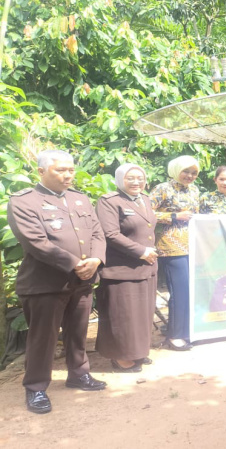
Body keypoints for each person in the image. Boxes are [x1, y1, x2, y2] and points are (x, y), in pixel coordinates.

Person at [8, 150, 107, 414]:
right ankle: (36, 387)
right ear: (41, 171)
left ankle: (79, 374)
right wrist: (75, 264)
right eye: (60, 170)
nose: (68, 175)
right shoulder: (24, 201)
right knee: (43, 338)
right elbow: (36, 242)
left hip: (82, 281)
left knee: (78, 332)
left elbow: (97, 233)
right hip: (45, 284)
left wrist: (96, 259)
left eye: (71, 170)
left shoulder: (80, 199)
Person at [95, 163, 158, 373]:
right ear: (120, 179)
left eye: (140, 178)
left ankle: (137, 351)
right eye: (130, 178)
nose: (136, 182)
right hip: (121, 268)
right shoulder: (109, 201)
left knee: (142, 314)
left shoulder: (145, 199)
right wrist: (140, 250)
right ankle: (120, 357)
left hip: (146, 266)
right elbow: (110, 234)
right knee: (123, 315)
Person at [151, 156, 200, 351]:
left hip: (192, 246)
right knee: (180, 291)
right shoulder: (162, 188)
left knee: (189, 290)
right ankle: (175, 336)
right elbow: (145, 213)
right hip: (170, 246)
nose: (190, 176)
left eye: (194, 173)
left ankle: (185, 330)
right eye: (186, 171)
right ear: (176, 170)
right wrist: (174, 216)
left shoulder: (194, 190)